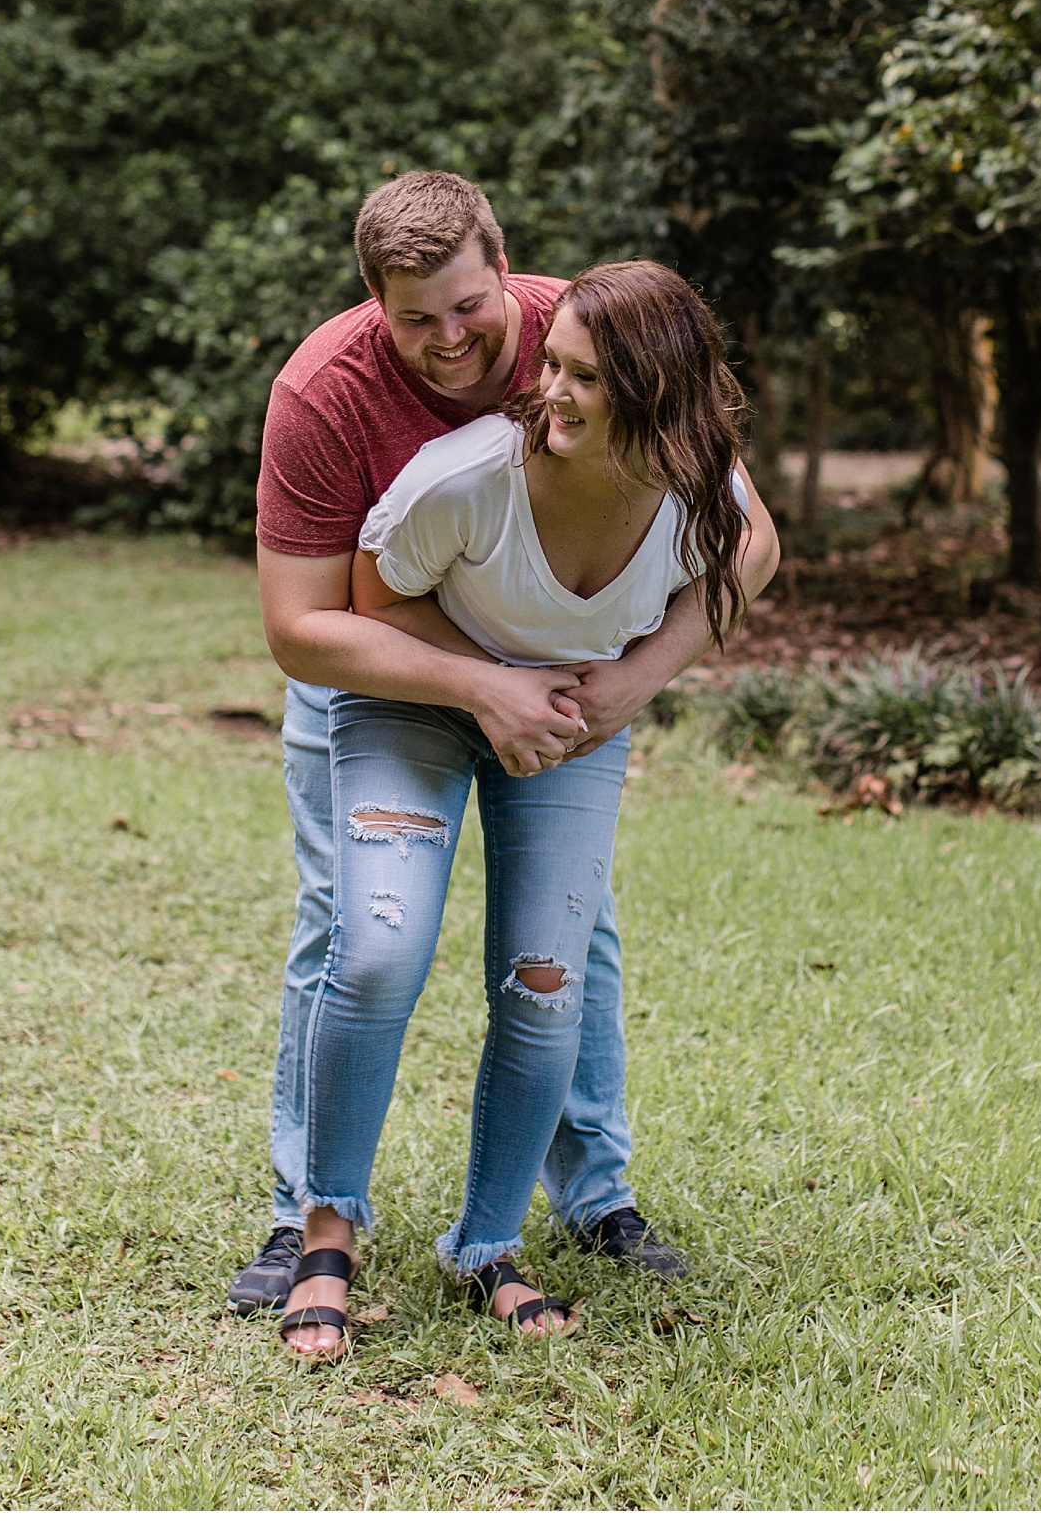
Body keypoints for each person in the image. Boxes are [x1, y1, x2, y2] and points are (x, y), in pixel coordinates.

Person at [231, 172, 779, 1337]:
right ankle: (309, 1216)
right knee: (357, 927)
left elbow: (744, 540)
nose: (449, 341)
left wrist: (626, 682)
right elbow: (306, 623)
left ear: (506, 271)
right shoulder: (326, 394)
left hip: (560, 701)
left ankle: (586, 1197)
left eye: (469, 307)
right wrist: (487, 685)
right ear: (373, 300)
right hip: (383, 677)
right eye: (413, 318)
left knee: (564, 949)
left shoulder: (586, 341)